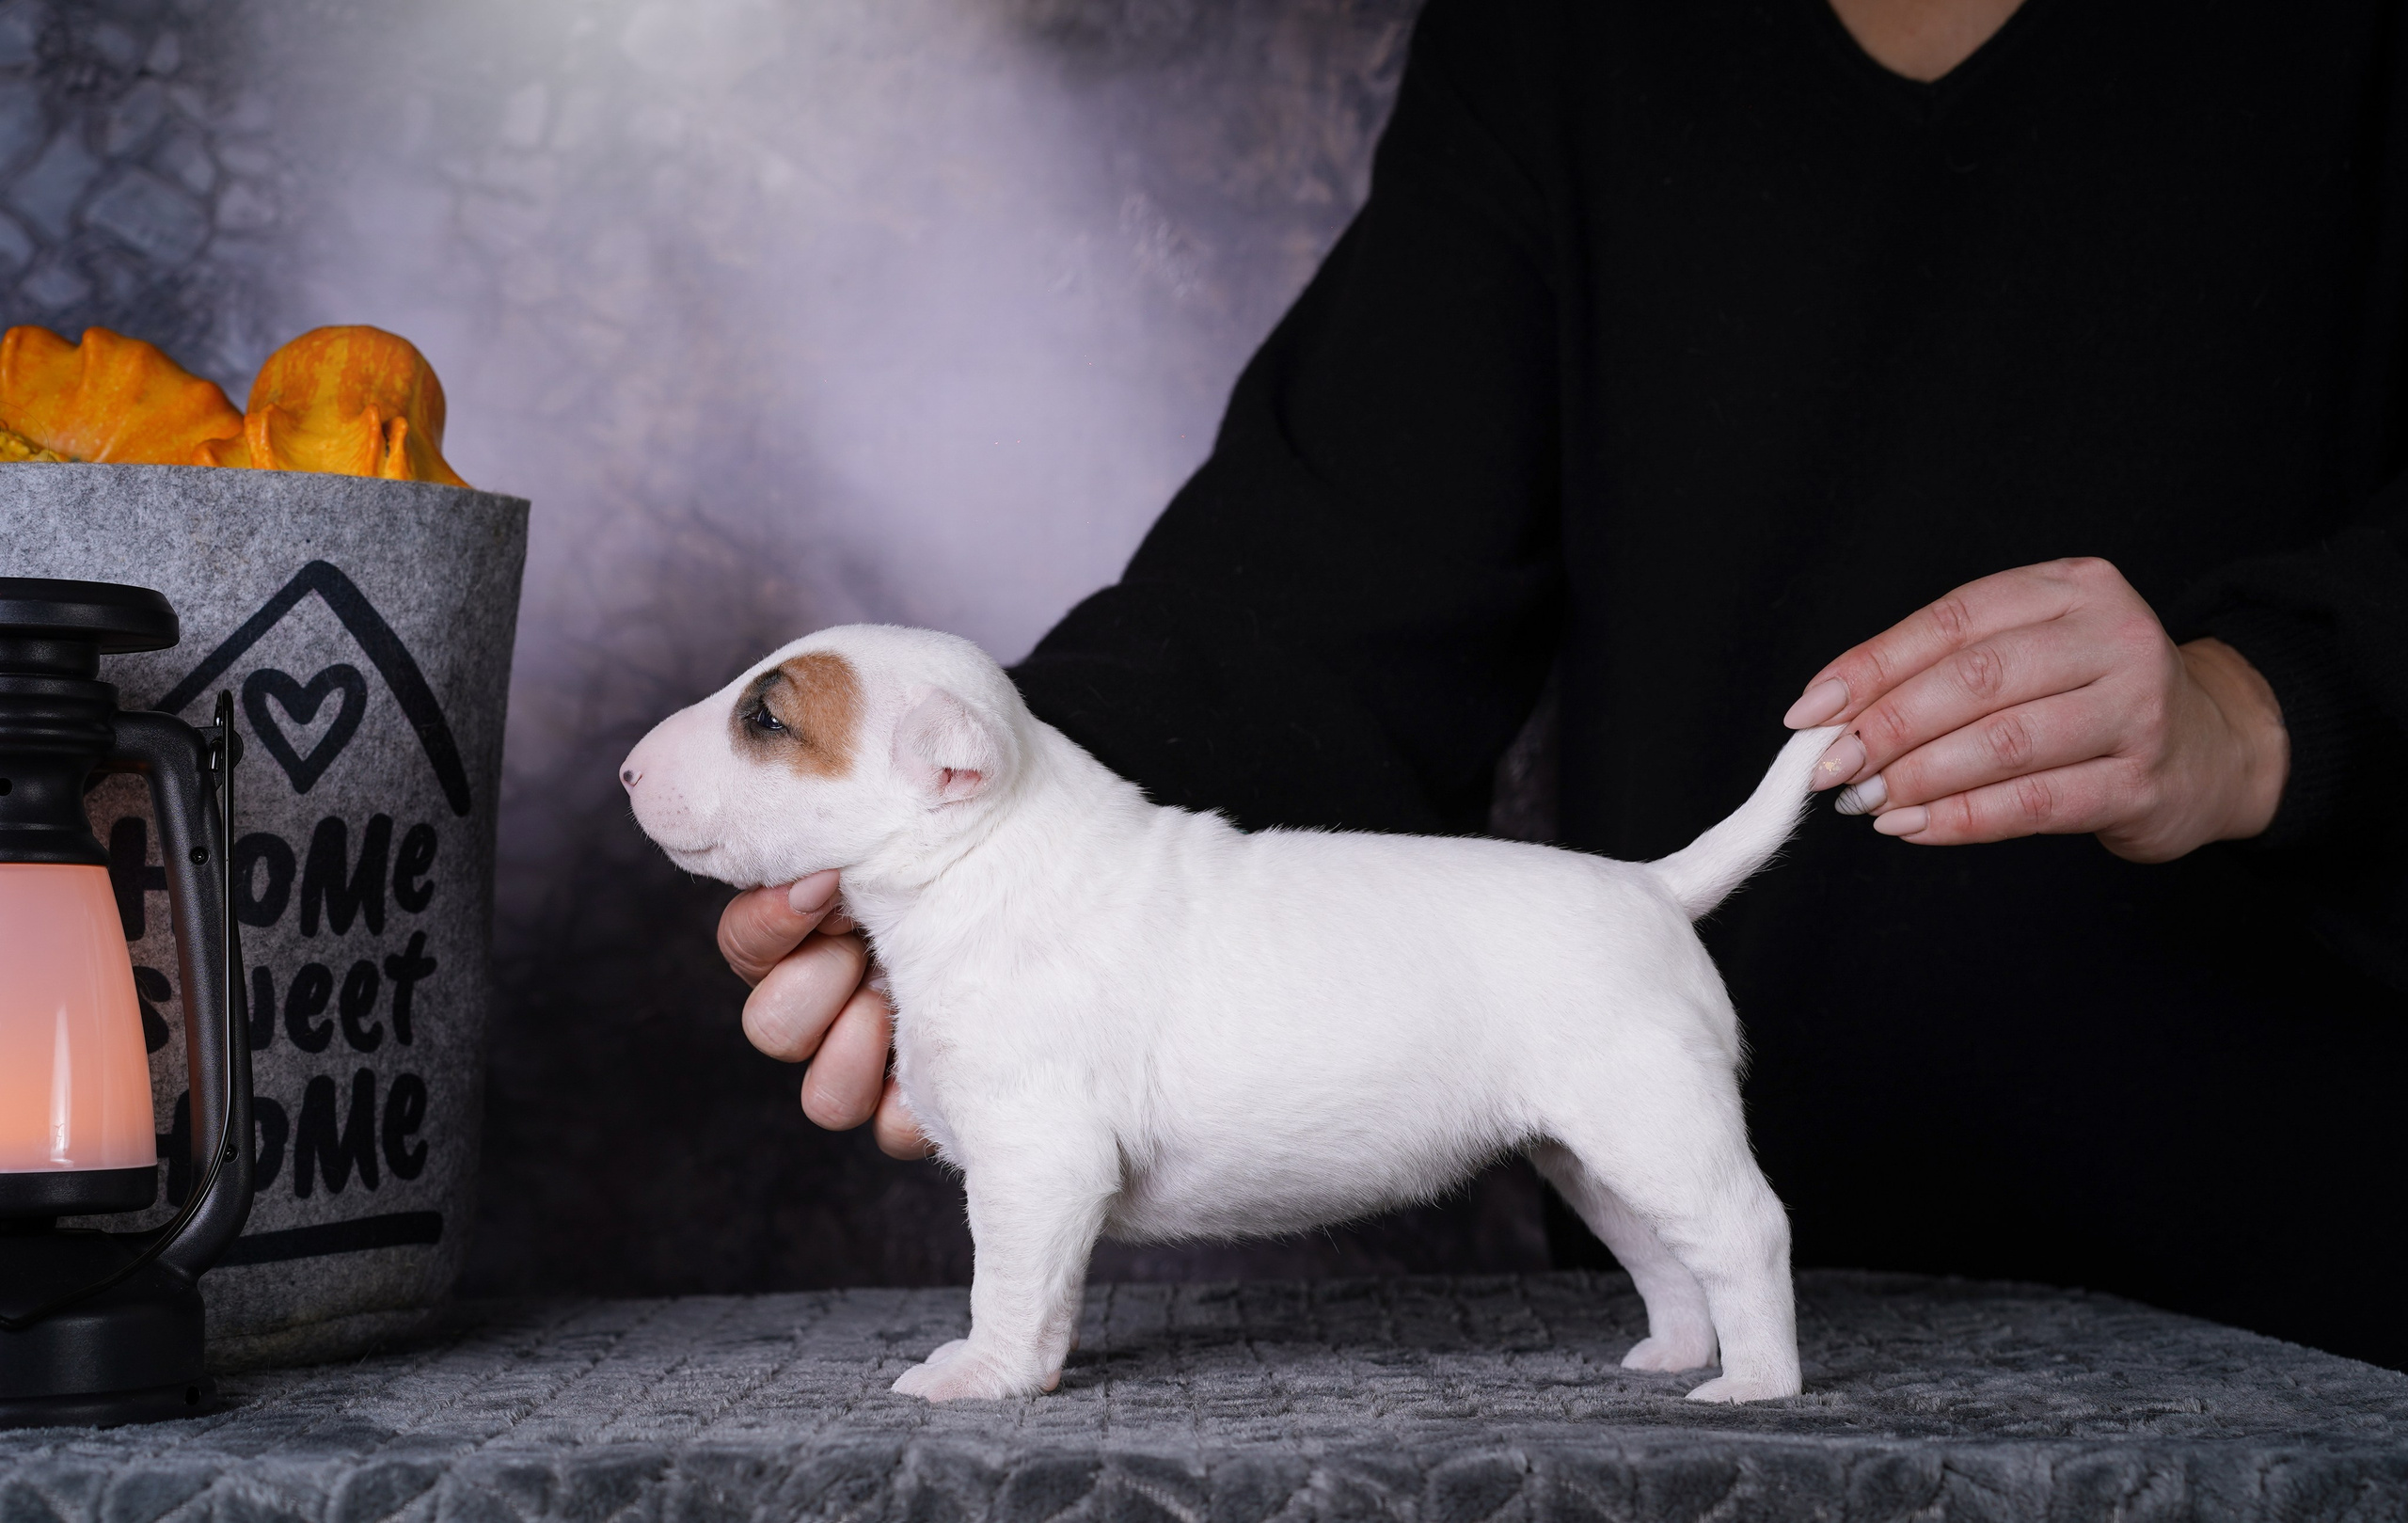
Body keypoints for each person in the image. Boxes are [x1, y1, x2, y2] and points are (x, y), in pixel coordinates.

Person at [718, 0, 2408, 1367]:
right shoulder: (1558, 39)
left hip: (2313, 1253)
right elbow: (1320, 587)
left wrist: (2280, 701)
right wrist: (1000, 877)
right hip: (1688, 1273)